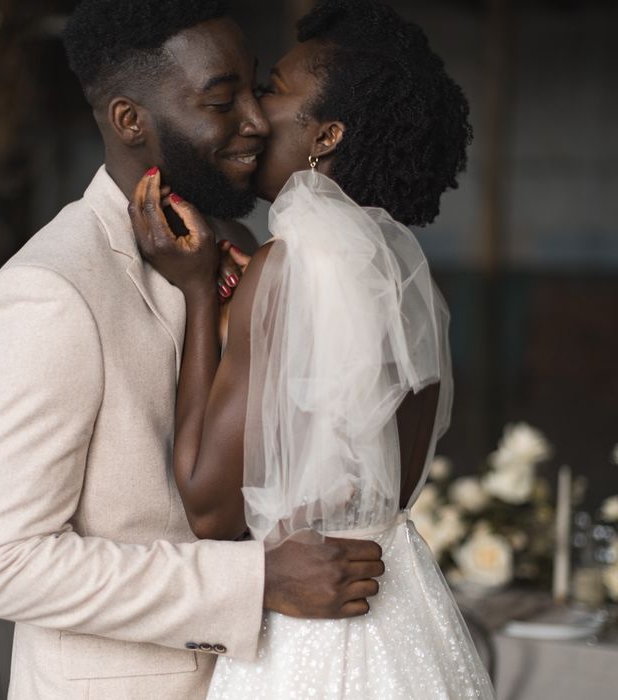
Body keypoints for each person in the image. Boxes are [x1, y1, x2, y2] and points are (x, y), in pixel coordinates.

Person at [0, 1, 385, 699]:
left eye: (255, 87)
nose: (255, 118)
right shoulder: (50, 291)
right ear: (130, 121)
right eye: (222, 100)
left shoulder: (244, 252)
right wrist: (257, 580)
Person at [129, 0, 495, 697]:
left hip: (316, 634)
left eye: (272, 92)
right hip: (401, 612)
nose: (254, 116)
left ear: (326, 135)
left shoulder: (289, 263)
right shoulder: (399, 267)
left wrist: (203, 292)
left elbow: (209, 509)